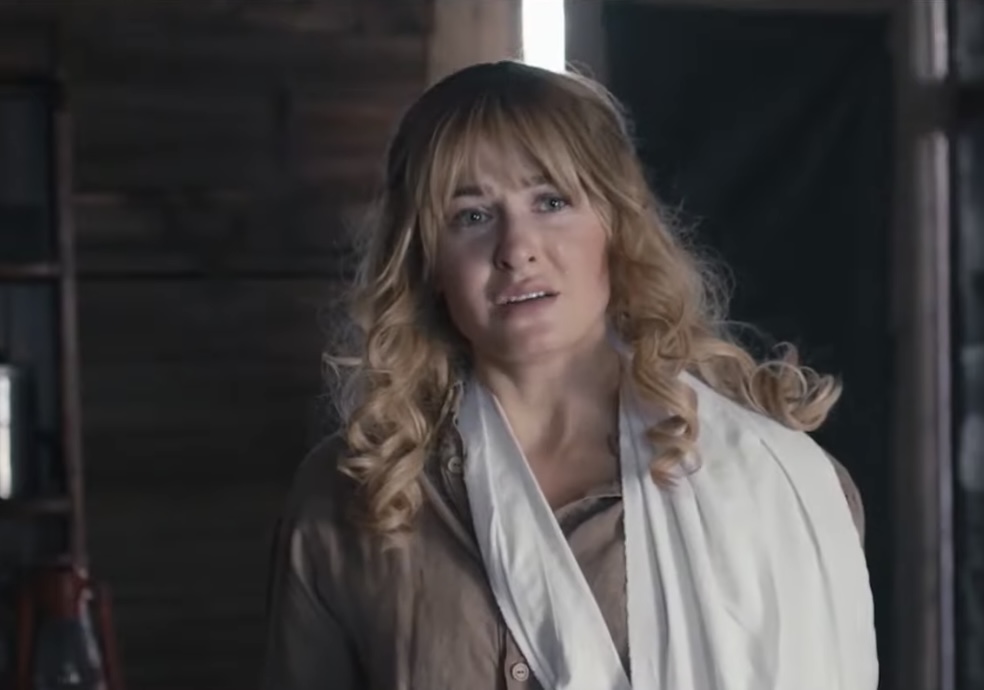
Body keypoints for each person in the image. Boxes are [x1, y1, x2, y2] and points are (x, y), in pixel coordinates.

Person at [261, 60, 878, 690]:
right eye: (471, 215)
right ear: (427, 260)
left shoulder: (773, 481)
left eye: (551, 202)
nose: (517, 249)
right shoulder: (353, 495)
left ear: (615, 226)